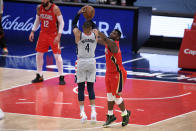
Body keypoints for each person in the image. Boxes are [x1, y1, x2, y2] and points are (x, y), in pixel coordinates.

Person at [98, 29, 131, 127]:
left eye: (115, 33)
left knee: (116, 97)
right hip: (109, 73)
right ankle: (110, 115)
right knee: (109, 96)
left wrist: (96, 30)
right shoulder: (108, 42)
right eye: (112, 32)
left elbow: (104, 38)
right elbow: (99, 40)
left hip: (118, 74)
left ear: (118, 37)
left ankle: (125, 114)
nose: (112, 33)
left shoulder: (114, 44)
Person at [29, 0, 65, 85]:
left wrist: (59, 35)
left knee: (57, 56)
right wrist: (33, 31)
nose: (42, 1)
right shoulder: (39, 8)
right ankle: (39, 75)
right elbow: (37, 21)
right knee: (38, 54)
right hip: (43, 34)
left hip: (53, 34)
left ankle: (61, 76)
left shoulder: (55, 8)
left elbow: (62, 23)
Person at [72, 7, 98, 123]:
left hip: (81, 62)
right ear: (91, 29)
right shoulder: (95, 34)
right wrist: (90, 17)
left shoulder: (79, 34)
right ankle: (93, 111)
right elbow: (95, 26)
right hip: (92, 62)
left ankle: (83, 113)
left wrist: (78, 14)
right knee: (91, 88)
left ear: (83, 28)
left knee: (81, 88)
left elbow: (73, 24)